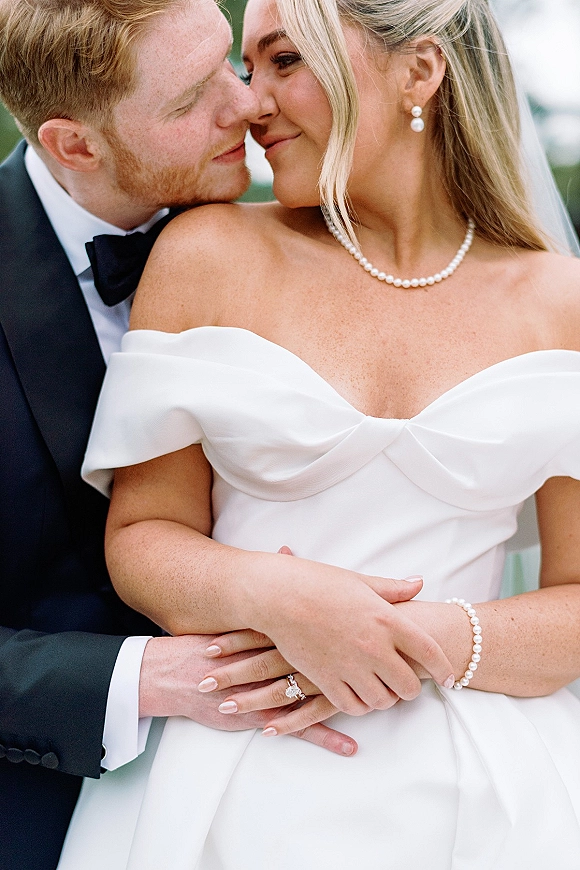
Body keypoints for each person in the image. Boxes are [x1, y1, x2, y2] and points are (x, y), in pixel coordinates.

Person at [59, 0, 580, 867]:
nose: (252, 103)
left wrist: (421, 643)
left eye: (284, 61)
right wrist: (281, 599)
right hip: (234, 771)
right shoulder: (208, 253)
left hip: (496, 789)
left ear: (419, 71)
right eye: (248, 68)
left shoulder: (562, 304)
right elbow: (144, 538)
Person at [0, 1, 374, 867]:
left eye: (229, 64)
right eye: (190, 100)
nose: (246, 107)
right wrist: (137, 680)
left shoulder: (308, 233)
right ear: (75, 145)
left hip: (315, 799)